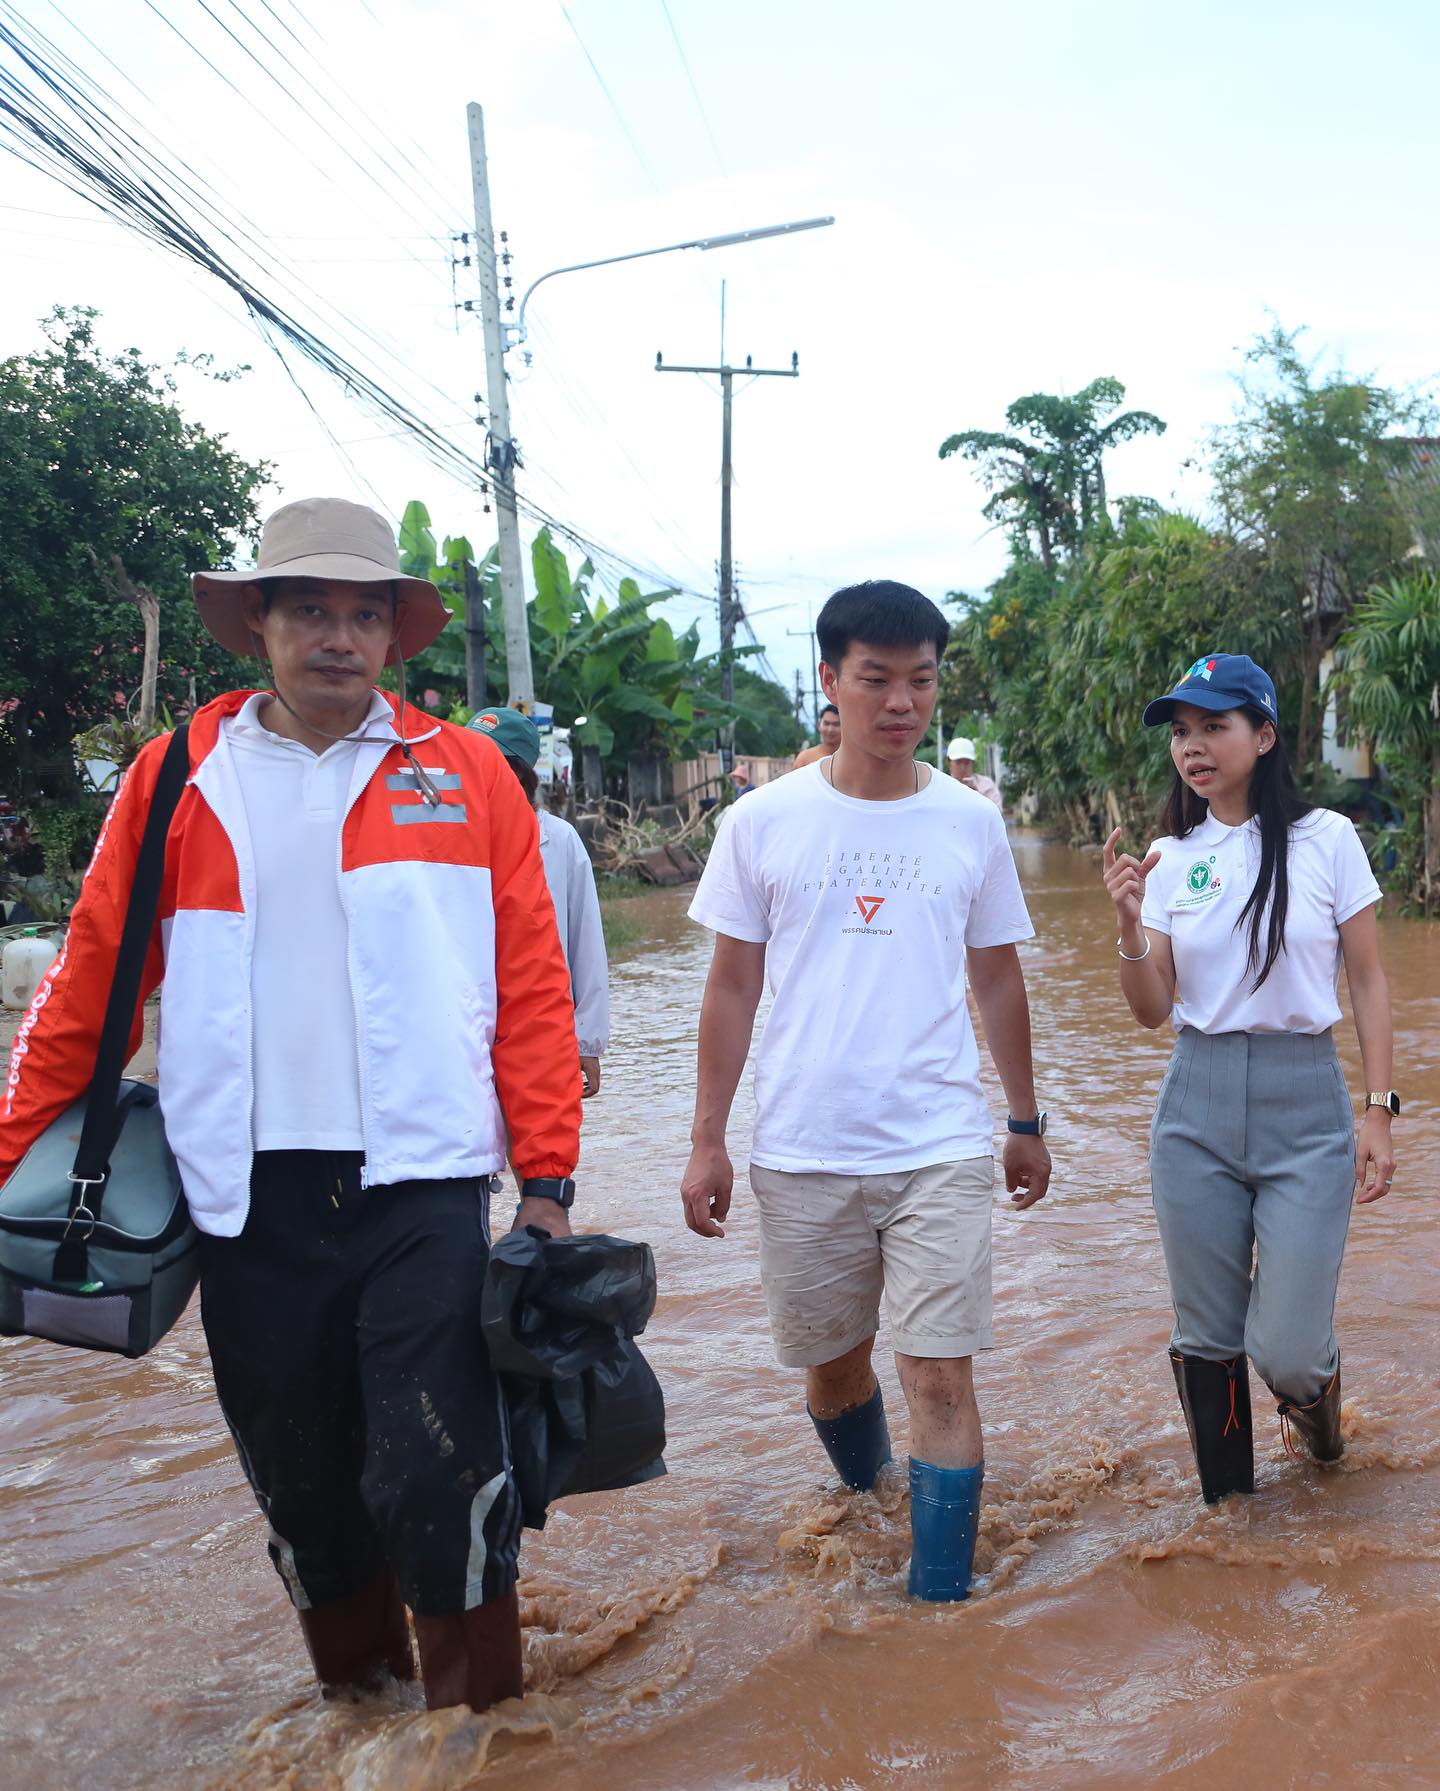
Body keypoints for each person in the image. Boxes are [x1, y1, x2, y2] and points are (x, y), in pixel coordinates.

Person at [0, 498, 583, 1712]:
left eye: (364, 614)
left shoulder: (465, 775)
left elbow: (530, 988)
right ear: (258, 625)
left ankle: (486, 1741)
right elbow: (88, 987)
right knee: (307, 1494)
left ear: (393, 639)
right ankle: (362, 1728)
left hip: (420, 1189)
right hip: (243, 1202)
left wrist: (547, 1185)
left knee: (439, 1476)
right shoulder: (178, 780)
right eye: (309, 609)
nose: (338, 636)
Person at [681, 579, 1051, 1603]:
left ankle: (941, 1606)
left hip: (938, 1142)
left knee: (939, 1371)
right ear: (830, 681)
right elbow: (732, 984)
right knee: (835, 1370)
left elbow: (996, 976)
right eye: (877, 679)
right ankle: (873, 1492)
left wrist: (1024, 1121)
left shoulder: (968, 822)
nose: (901, 702)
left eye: (921, 680)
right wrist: (706, 1140)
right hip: (803, 1148)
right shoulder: (762, 821)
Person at [1101, 653, 1397, 1504]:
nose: (1192, 747)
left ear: (1263, 735)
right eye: (1181, 733)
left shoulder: (1327, 840)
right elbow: (1152, 1008)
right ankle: (1230, 1531)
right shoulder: (1168, 855)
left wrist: (1378, 1110)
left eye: (1214, 726)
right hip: (1194, 1105)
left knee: (1290, 1348)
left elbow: (1370, 980)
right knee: (1208, 1338)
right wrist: (1128, 924)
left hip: (1306, 1107)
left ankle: (1325, 1442)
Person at [469, 705, 609, 1096]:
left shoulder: (558, 840)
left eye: (483, 760)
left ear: (515, 774)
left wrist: (587, 1043)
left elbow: (586, 945)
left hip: (540, 1029)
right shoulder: (451, 837)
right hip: (466, 1030)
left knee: (540, 1148)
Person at [946, 736, 1002, 811]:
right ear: (949, 763)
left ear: (973, 763)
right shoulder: (941, 787)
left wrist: (977, 796)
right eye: (958, 762)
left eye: (967, 762)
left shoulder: (987, 786)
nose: (962, 767)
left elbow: (996, 815)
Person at [793, 703, 841, 769]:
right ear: (819, 725)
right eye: (826, 724)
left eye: (836, 724)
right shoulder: (804, 759)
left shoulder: (854, 759)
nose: (830, 730)